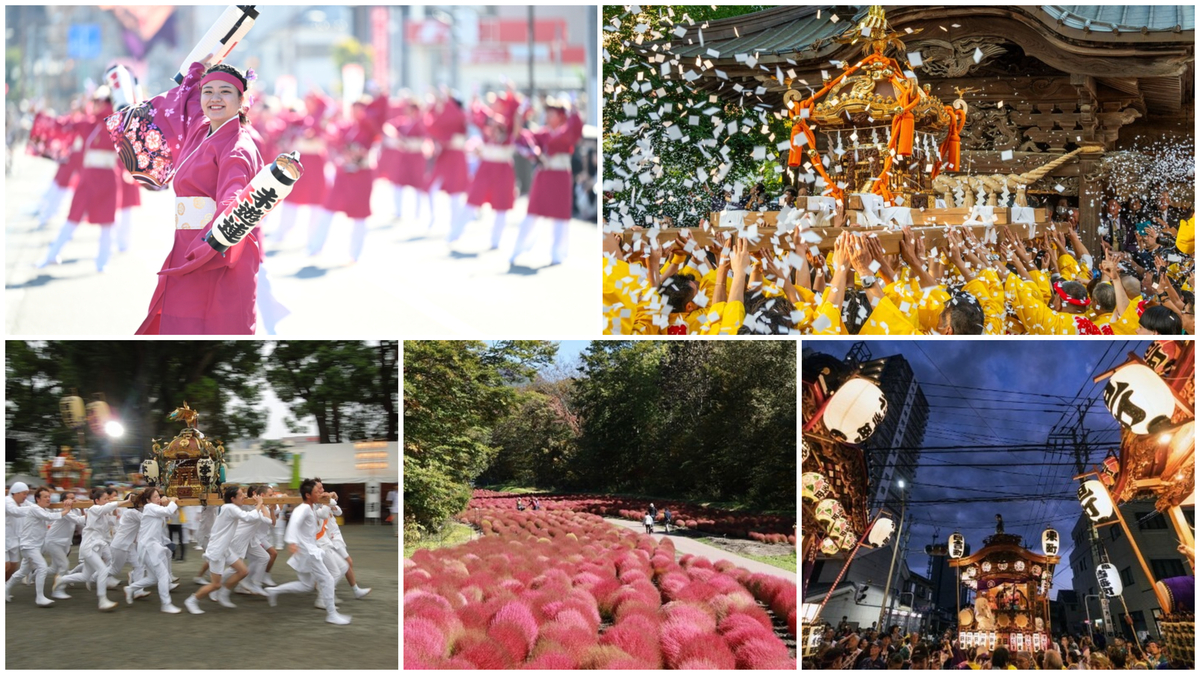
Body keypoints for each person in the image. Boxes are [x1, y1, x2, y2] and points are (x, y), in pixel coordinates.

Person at [135, 60, 265, 334]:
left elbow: (234, 197)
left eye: (225, 92)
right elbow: (189, 98)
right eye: (209, 91)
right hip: (187, 246)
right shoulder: (201, 128)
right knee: (177, 325)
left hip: (214, 250)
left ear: (242, 99)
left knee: (214, 329)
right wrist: (196, 71)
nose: (215, 98)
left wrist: (212, 244)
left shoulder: (238, 148)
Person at [36, 86, 122, 272]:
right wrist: (41, 115)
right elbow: (63, 126)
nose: (96, 105)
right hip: (89, 178)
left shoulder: (116, 125)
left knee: (107, 221)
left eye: (100, 101)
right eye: (96, 101)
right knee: (73, 216)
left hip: (107, 178)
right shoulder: (90, 124)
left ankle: (102, 261)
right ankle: (52, 255)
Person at [264, 478, 351, 625]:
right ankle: (332, 614)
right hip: (308, 552)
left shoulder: (312, 508)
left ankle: (273, 591)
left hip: (307, 551)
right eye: (317, 491)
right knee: (328, 579)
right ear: (308, 495)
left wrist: (330, 499)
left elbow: (324, 514)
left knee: (306, 585)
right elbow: (294, 522)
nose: (320, 493)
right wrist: (292, 542)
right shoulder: (303, 508)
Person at [510, 95, 584, 266]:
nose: (548, 117)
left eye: (552, 114)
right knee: (533, 211)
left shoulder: (566, 131)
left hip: (561, 176)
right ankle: (519, 248)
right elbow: (520, 136)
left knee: (560, 215)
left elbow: (576, 128)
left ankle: (558, 252)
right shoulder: (542, 133)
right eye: (547, 114)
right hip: (544, 175)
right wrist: (518, 118)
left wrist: (573, 108)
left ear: (561, 116)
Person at [450, 87, 521, 248]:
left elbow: (516, 126)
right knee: (473, 199)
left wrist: (512, 92)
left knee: (501, 204)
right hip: (487, 165)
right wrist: (474, 98)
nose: (493, 104)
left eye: (497, 102)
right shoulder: (488, 119)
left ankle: (496, 240)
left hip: (503, 166)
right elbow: (475, 113)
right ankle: (455, 233)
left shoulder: (510, 121)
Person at [182, 484, 269, 614]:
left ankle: (224, 593)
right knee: (215, 584)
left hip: (224, 548)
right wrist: (259, 503)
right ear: (233, 498)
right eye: (240, 495)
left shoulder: (230, 507)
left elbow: (254, 516)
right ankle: (192, 600)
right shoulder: (229, 508)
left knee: (243, 571)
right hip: (217, 550)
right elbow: (249, 517)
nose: (244, 496)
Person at [52, 486, 132, 610]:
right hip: (90, 546)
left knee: (85, 576)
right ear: (97, 501)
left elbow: (112, 523)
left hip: (97, 546)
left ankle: (62, 579)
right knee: (103, 570)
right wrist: (124, 502)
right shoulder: (94, 509)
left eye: (108, 499)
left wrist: (114, 510)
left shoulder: (103, 513)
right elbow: (107, 507)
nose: (107, 501)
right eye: (105, 499)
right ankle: (102, 600)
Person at [124, 487, 182, 613]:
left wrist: (167, 502)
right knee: (163, 575)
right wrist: (172, 500)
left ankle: (131, 588)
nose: (158, 498)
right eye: (155, 497)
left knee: (154, 578)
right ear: (148, 500)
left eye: (158, 496)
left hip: (153, 547)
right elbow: (168, 511)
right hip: (147, 547)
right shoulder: (149, 507)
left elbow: (168, 513)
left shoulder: (155, 509)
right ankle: (166, 604)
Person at [5, 487, 66, 606]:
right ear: (37, 499)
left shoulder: (41, 509)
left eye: (49, 496)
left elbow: (50, 516)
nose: (48, 499)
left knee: (22, 571)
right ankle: (40, 597)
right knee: (42, 567)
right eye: (45, 497)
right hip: (29, 546)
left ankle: (4, 590)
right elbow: (50, 517)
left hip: (33, 546)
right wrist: (66, 510)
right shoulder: (35, 508)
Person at [43, 493, 85, 599]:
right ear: (63, 501)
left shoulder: (75, 510)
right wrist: (94, 513)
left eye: (73, 497)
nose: (73, 500)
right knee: (64, 565)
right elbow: (79, 520)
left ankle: (34, 572)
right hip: (54, 541)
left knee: (54, 568)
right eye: (70, 498)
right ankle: (57, 590)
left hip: (65, 542)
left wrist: (83, 509)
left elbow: (82, 524)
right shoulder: (63, 510)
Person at [5, 482, 31, 585]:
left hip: (14, 539)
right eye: (24, 493)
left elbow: (36, 506)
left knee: (13, 566)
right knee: (5, 566)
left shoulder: (24, 502)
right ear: (15, 492)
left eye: (26, 494)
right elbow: (15, 511)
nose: (25, 496)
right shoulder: (7, 501)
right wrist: (35, 509)